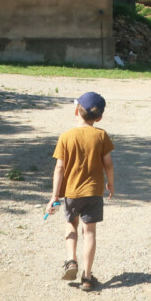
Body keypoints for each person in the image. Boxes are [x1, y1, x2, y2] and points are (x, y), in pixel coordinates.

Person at [50, 91, 115, 290]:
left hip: (71, 192)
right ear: (100, 117)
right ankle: (87, 277)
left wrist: (54, 196)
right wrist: (110, 183)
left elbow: (59, 168)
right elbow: (108, 164)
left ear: (76, 110)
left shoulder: (66, 136)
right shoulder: (101, 135)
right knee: (90, 232)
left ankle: (71, 260)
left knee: (71, 225)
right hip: (93, 192)